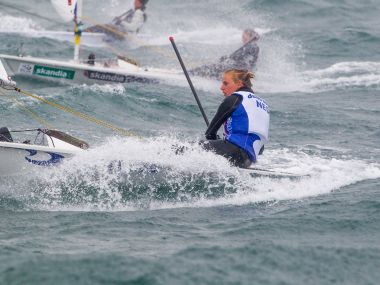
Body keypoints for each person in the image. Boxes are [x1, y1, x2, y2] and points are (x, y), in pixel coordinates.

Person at [201, 69, 269, 168]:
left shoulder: (235, 98)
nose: (221, 87)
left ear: (239, 84)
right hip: (248, 160)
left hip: (232, 152)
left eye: (225, 83)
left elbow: (210, 133)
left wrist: (214, 141)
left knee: (189, 147)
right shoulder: (263, 104)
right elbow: (260, 147)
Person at [189, 29, 260, 79]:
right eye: (242, 37)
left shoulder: (252, 45)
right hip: (239, 69)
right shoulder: (252, 45)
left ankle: (189, 74)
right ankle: (193, 74)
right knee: (213, 67)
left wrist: (226, 58)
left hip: (238, 70)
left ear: (250, 36)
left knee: (209, 68)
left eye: (244, 37)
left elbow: (237, 57)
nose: (243, 39)